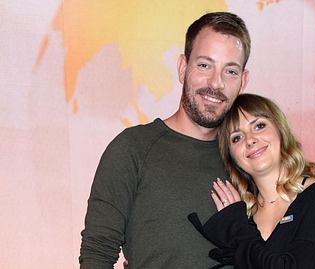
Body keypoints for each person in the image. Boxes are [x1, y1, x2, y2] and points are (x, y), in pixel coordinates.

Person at [79, 12, 250, 268]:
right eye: (205, 65)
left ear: (243, 81)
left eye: (230, 71)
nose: (216, 83)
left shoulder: (249, 157)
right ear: (183, 68)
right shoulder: (132, 149)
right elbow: (97, 253)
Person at [188, 93, 315, 268]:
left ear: (280, 130)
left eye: (259, 126)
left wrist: (238, 230)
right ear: (231, 157)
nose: (250, 140)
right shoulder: (244, 215)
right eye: (236, 137)